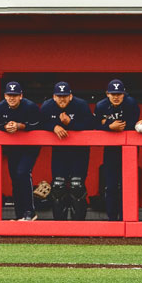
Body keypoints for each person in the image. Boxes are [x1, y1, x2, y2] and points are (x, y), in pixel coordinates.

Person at [42, 82, 94, 220]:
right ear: (54, 97)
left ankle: (78, 226)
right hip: (60, 151)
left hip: (79, 152)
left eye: (65, 96)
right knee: (58, 186)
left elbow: (91, 125)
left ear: (71, 96)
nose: (62, 99)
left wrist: (70, 124)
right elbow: (39, 122)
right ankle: (60, 226)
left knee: (77, 186)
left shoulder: (81, 105)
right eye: (59, 96)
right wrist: (54, 127)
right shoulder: (47, 106)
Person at [0, 80, 42, 221]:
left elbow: (38, 126)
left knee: (22, 173)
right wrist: (5, 127)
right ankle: (20, 214)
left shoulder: (30, 106)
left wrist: (21, 126)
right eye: (9, 95)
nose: (12, 98)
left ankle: (30, 212)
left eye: (15, 95)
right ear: (5, 96)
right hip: (13, 148)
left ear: (21, 96)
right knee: (15, 178)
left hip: (30, 147)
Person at [94, 80, 140, 221]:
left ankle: (127, 218)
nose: (116, 97)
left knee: (128, 185)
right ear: (107, 94)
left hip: (129, 150)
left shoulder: (130, 103)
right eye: (113, 94)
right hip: (111, 150)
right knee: (111, 186)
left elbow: (131, 125)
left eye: (119, 94)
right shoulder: (101, 106)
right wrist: (109, 126)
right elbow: (94, 125)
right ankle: (112, 219)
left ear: (124, 94)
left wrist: (106, 124)